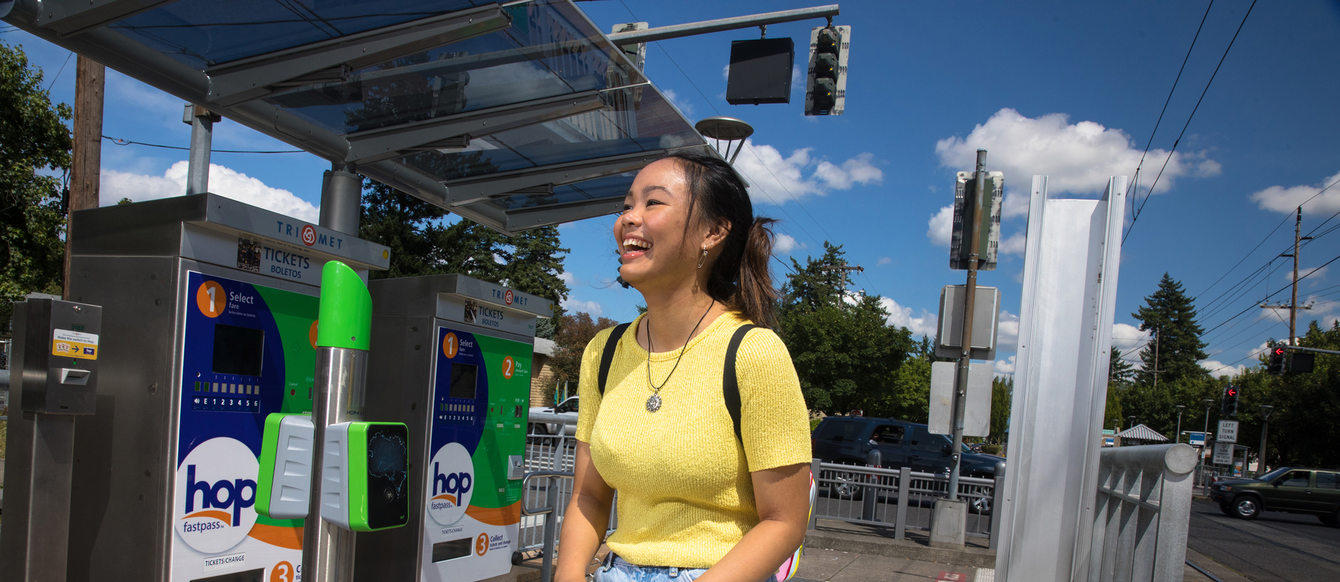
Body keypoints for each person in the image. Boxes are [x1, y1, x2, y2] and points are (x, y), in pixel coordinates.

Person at [555, 152, 812, 582]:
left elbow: (785, 521)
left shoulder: (753, 353)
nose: (628, 219)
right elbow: (588, 496)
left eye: (652, 203)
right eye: (626, 205)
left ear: (713, 232)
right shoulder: (604, 352)